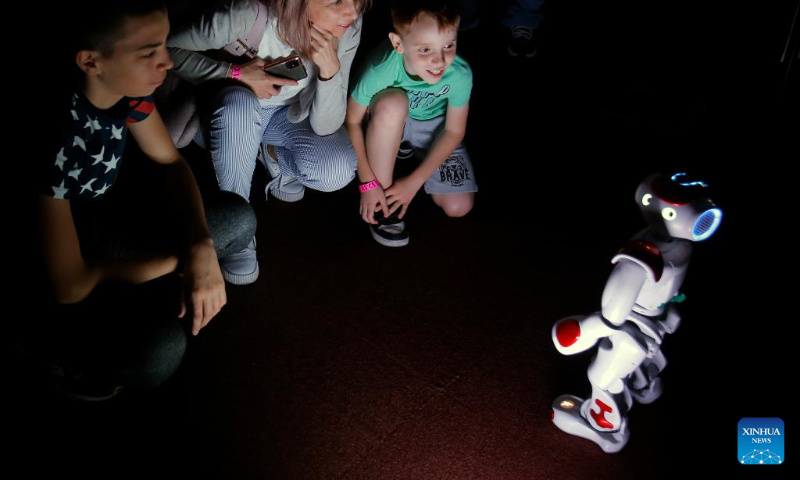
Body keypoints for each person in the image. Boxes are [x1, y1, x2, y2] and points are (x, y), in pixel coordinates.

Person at [27, 0, 255, 400]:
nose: (167, 62)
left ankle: (152, 287)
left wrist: (201, 243)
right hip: (70, 267)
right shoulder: (55, 140)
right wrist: (186, 259)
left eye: (164, 46)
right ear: (90, 62)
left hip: (112, 219)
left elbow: (170, 161)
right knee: (159, 354)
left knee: (237, 220)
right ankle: (62, 357)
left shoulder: (127, 93)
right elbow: (71, 284)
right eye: (149, 52)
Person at [165, 0, 371, 284]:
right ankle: (237, 224)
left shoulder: (347, 28)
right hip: (224, 113)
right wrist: (234, 73)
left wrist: (330, 71)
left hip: (284, 117)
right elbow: (164, 50)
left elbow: (326, 126)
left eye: (358, 1)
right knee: (240, 102)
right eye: (336, 2)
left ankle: (270, 152)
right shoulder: (245, 16)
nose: (352, 12)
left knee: (336, 170)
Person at [346, 0, 476, 247]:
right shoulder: (380, 68)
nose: (439, 61)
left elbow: (454, 130)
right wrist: (368, 183)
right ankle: (383, 203)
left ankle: (404, 146)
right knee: (392, 104)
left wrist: (414, 182)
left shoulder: (459, 73)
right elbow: (352, 121)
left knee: (459, 207)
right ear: (398, 44)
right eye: (425, 50)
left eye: (448, 45)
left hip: (434, 125)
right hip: (393, 113)